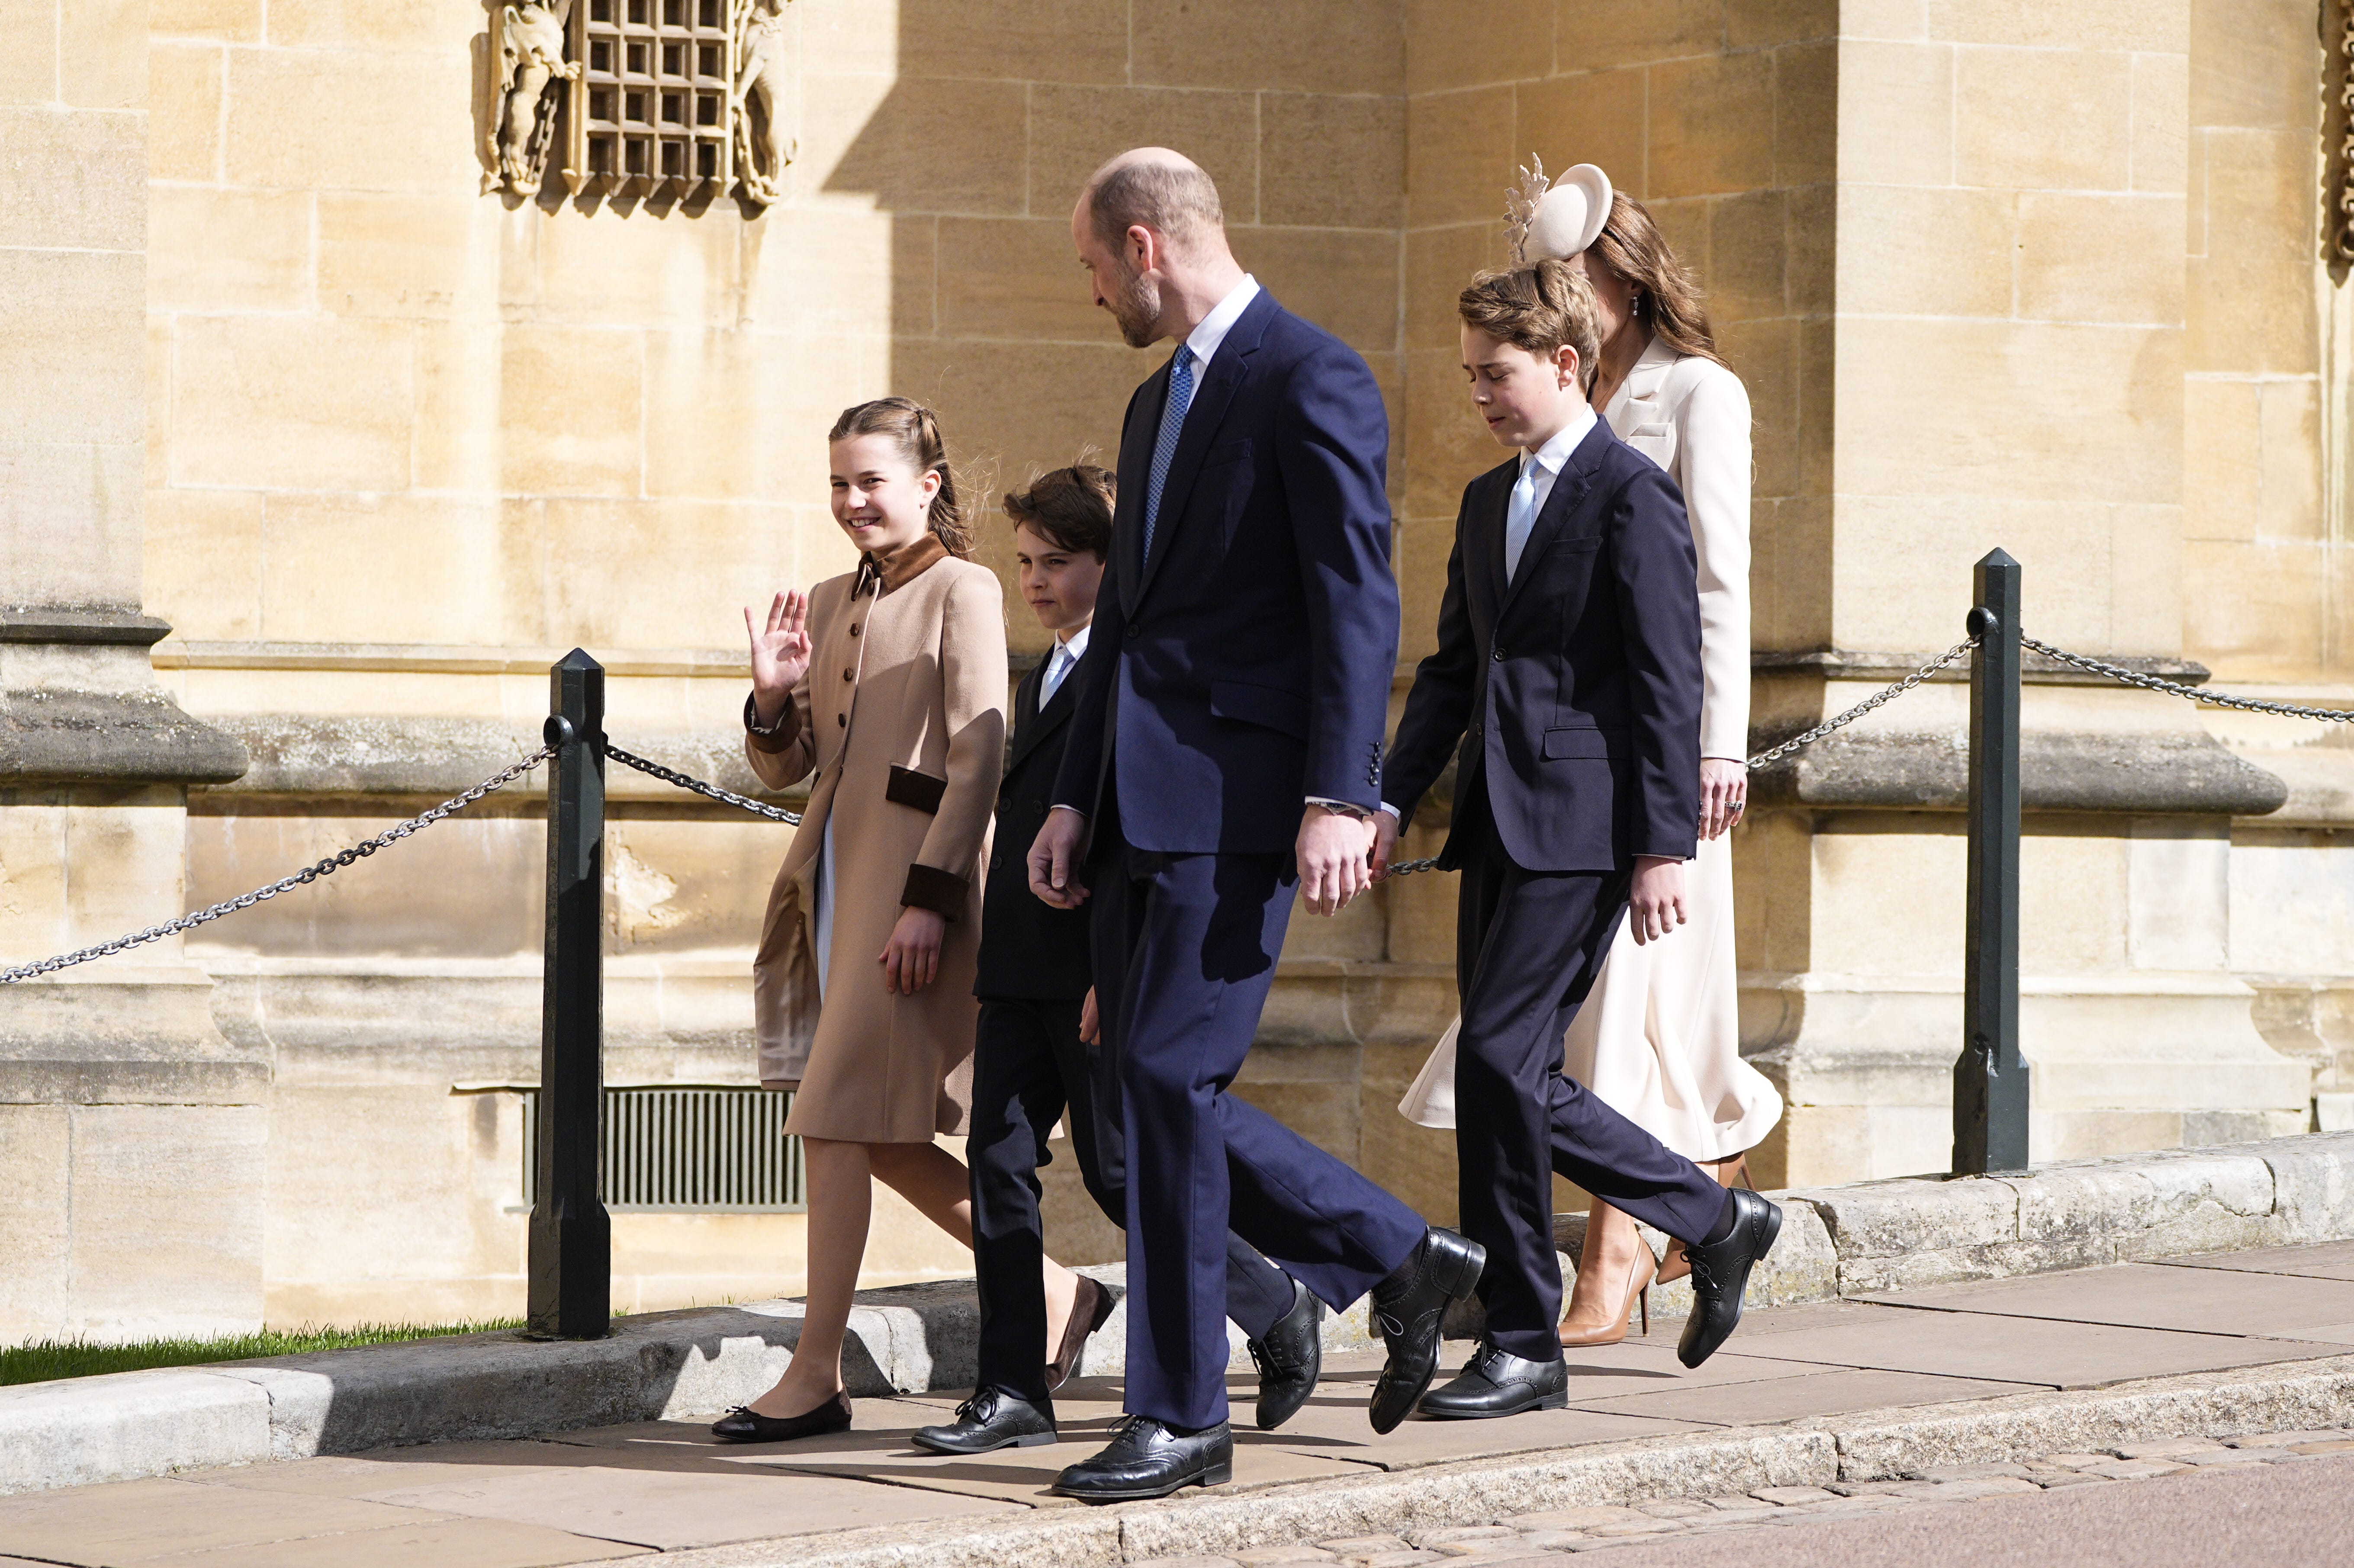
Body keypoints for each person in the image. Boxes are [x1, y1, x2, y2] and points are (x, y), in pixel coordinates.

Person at [1027, 148, 1485, 1503]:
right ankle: (1401, 1261)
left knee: (1163, 1089)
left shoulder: (1311, 373)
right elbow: (1130, 625)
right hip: (1133, 810)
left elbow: (1356, 596)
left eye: (1093, 266)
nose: (1092, 290)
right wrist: (1071, 796)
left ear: (1145, 246)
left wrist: (1348, 791)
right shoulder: (1152, 399)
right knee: (1149, 1092)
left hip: (1243, 809)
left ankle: (1181, 1415)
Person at [1372, 257, 1782, 1422]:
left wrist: (1664, 847)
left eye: (1495, 375)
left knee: (1501, 1065)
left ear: (1565, 364)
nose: (1480, 397)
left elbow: (1668, 679)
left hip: (1591, 833)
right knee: (1513, 1075)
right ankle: (1711, 1218)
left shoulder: (1628, 492)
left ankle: (1521, 1337)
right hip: (1498, 828)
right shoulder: (1483, 502)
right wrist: (1390, 797)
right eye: (1469, 378)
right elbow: (1453, 673)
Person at [913, 467, 1324, 1457]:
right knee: (998, 1158)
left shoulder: (1130, 672)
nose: (1036, 581)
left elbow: (1141, 836)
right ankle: (1013, 1386)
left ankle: (1274, 1306)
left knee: (1121, 1173)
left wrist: (1119, 971)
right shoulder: (1044, 671)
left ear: (1112, 563)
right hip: (1017, 964)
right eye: (1025, 562)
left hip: (1095, 965)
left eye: (1058, 562)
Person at [711, 398, 1094, 1443]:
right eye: (838, 482)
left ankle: (814, 1371)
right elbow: (793, 769)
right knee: (871, 1133)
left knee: (835, 1122)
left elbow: (979, 754)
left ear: (927, 483)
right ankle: (1059, 1293)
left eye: (870, 480)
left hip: (916, 895)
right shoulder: (835, 596)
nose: (851, 501)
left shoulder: (964, 589)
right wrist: (769, 698)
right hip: (836, 884)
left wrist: (930, 903)